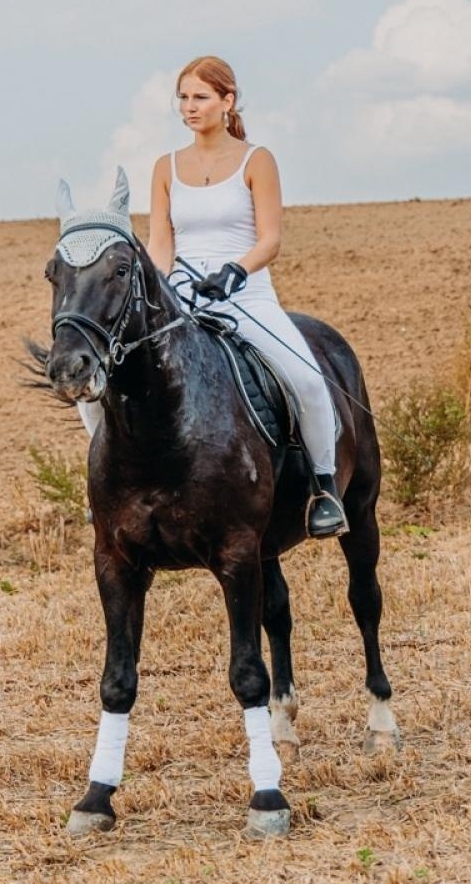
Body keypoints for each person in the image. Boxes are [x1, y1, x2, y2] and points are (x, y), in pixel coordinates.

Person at [77, 55, 347, 538]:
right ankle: (107, 488)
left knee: (306, 380)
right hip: (181, 294)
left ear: (228, 100)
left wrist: (232, 272)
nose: (189, 107)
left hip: (245, 295)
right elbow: (160, 243)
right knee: (104, 378)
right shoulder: (166, 167)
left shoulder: (255, 160)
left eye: (200, 97)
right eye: (182, 97)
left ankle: (323, 489)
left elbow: (270, 239)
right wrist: (157, 290)